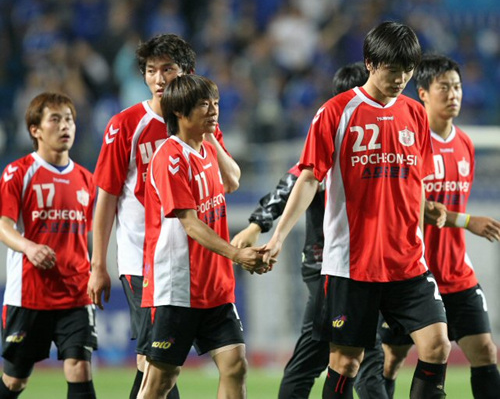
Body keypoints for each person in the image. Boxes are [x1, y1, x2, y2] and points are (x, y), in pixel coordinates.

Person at [262, 21, 451, 399]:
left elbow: (415, 180)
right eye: (392, 69)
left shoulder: (415, 114)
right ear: (370, 63)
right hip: (352, 266)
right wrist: (278, 235)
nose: (401, 78)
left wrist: (427, 206)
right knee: (346, 363)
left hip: (407, 262)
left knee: (437, 346)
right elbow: (309, 178)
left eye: (408, 70)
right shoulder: (335, 113)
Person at [87, 34, 240, 399]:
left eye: (167, 69)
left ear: (186, 72)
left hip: (194, 261)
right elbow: (106, 198)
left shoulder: (201, 121)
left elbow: (229, 181)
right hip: (143, 259)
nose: (159, 78)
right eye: (151, 71)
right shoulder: (125, 125)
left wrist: (209, 133)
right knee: (151, 364)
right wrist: (97, 264)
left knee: (165, 367)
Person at [231, 61, 383, 399]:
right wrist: (257, 225)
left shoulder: (377, 152)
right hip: (328, 268)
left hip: (368, 267)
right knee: (359, 358)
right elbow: (289, 185)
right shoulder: (328, 146)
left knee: (349, 358)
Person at [377, 54, 500, 399]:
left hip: (457, 272)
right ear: (423, 93)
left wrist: (459, 220)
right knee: (392, 359)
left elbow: (445, 209)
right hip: (414, 273)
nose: (453, 94)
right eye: (443, 87)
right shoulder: (409, 143)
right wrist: (466, 221)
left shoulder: (466, 145)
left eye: (457, 86)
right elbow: (408, 206)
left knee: (486, 352)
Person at [137, 74, 267, 398]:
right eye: (203, 105)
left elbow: (233, 180)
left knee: (235, 364)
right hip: (179, 288)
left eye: (215, 103)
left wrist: (209, 138)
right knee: (160, 381)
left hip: (216, 285)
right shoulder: (169, 158)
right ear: (180, 112)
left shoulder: (207, 148)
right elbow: (191, 225)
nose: (213, 110)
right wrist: (237, 254)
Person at [0, 92, 97, 398]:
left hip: (76, 293)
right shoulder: (18, 172)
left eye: (69, 119)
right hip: (30, 293)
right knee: (15, 381)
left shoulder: (86, 180)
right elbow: (3, 225)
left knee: (79, 367)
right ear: (35, 129)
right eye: (54, 119)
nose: (64, 125)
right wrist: (29, 247)